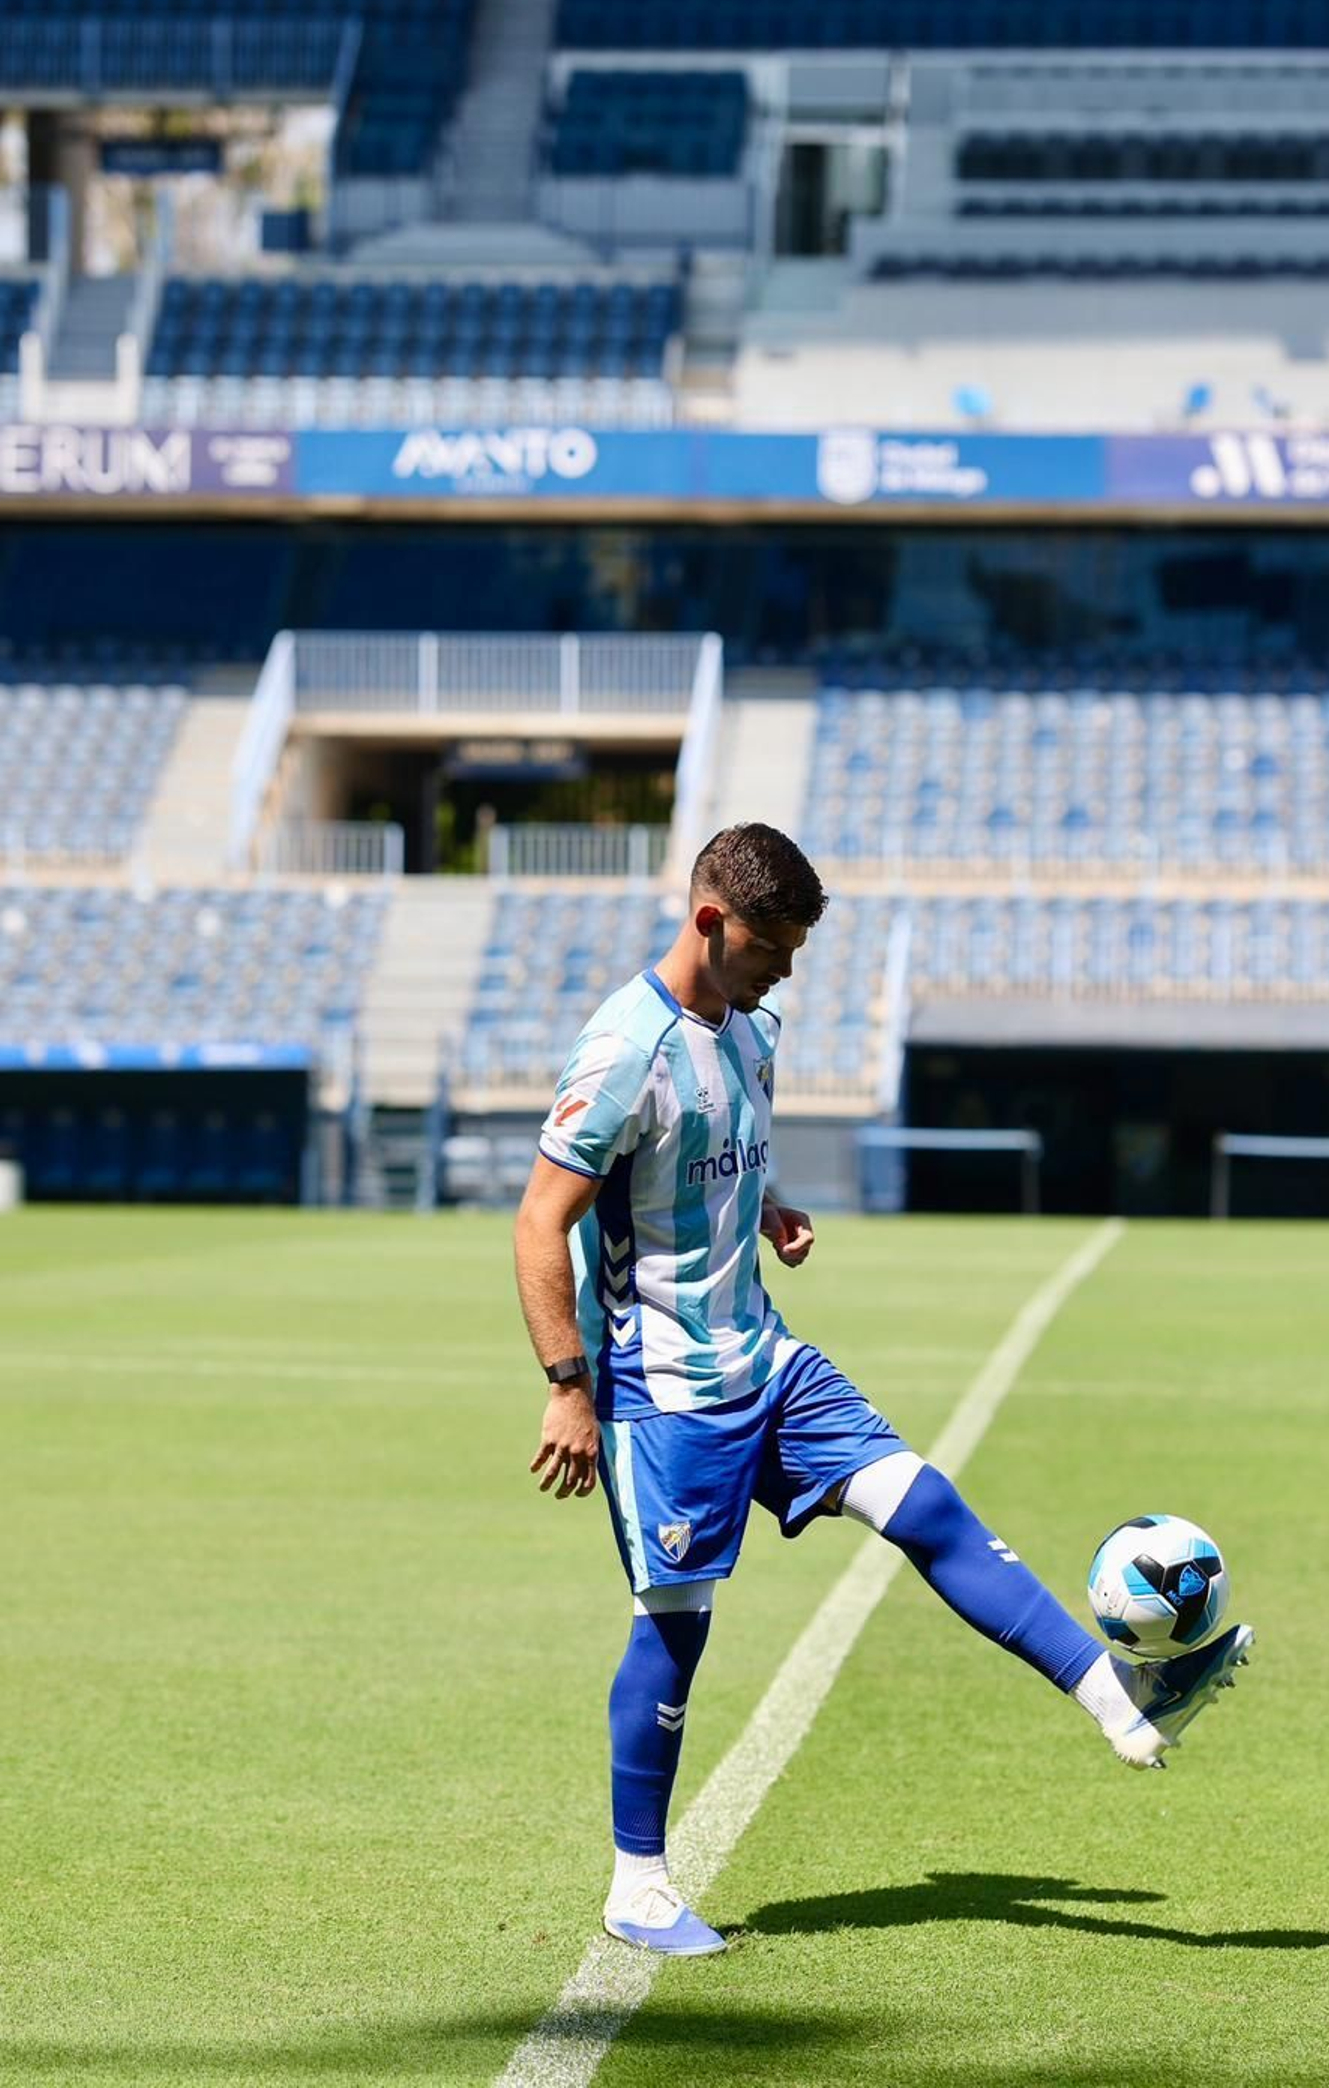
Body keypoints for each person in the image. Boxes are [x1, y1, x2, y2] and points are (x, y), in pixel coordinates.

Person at [513, 823, 1251, 1958]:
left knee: (923, 1500)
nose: (787, 970)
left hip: (767, 1356)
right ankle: (639, 1884)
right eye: (772, 946)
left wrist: (762, 1208)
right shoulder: (623, 1048)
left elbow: (714, 1150)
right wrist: (568, 1386)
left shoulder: (753, 1028)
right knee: (676, 1627)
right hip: (665, 1390)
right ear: (710, 920)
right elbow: (541, 1219)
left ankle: (1123, 1698)